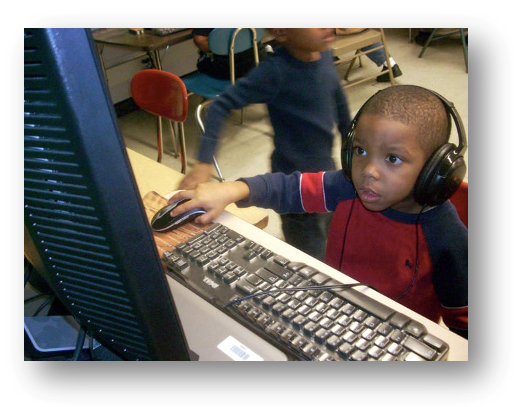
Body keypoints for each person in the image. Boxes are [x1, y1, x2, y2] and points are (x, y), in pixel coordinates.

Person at [170, 85, 468, 338]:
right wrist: (232, 189)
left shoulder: (446, 234)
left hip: (395, 338)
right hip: (332, 312)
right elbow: (291, 189)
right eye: (361, 151)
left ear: (434, 169)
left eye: (393, 158)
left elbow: (464, 321)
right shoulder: (348, 186)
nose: (368, 171)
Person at [180, 28, 352, 262]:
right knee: (310, 257)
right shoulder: (274, 71)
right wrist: (204, 161)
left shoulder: (323, 55)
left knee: (335, 236)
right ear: (281, 32)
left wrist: (354, 158)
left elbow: (342, 115)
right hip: (293, 186)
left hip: (327, 173)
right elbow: (220, 106)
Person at [192, 28, 268, 80]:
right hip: (258, 59)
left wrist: (219, 49)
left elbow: (200, 40)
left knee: (202, 63)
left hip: (228, 69)